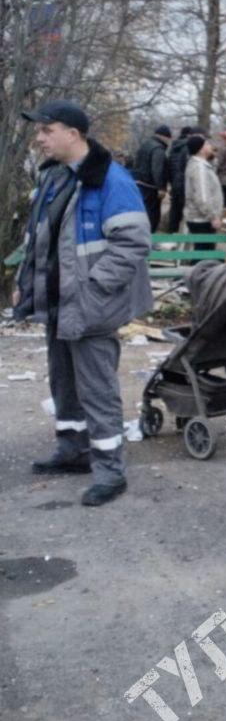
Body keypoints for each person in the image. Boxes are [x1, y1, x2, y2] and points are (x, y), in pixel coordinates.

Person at [13, 101, 152, 506]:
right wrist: (26, 283)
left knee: (97, 388)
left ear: (73, 134)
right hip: (59, 304)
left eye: (46, 130)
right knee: (63, 381)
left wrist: (93, 287)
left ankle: (110, 471)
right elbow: (39, 239)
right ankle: (73, 449)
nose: (39, 138)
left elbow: (133, 242)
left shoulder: (111, 181)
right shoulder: (55, 178)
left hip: (90, 306)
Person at [183, 134, 224, 250]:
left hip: (201, 218)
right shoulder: (200, 168)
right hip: (202, 220)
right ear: (201, 149)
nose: (210, 146)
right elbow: (203, 197)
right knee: (204, 257)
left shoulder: (200, 165)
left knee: (203, 255)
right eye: (207, 144)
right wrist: (213, 217)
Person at [131, 124, 171, 232]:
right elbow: (157, 169)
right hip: (150, 187)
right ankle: (150, 240)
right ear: (165, 137)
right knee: (152, 216)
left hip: (138, 184)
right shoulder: (158, 149)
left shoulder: (145, 145)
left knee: (141, 213)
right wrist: (161, 187)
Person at [166, 126, 196, 234]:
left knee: (174, 210)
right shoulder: (188, 146)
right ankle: (183, 238)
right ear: (190, 135)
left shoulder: (174, 146)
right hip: (184, 182)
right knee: (186, 210)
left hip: (175, 181)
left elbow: (169, 164)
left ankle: (171, 235)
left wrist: (171, 181)